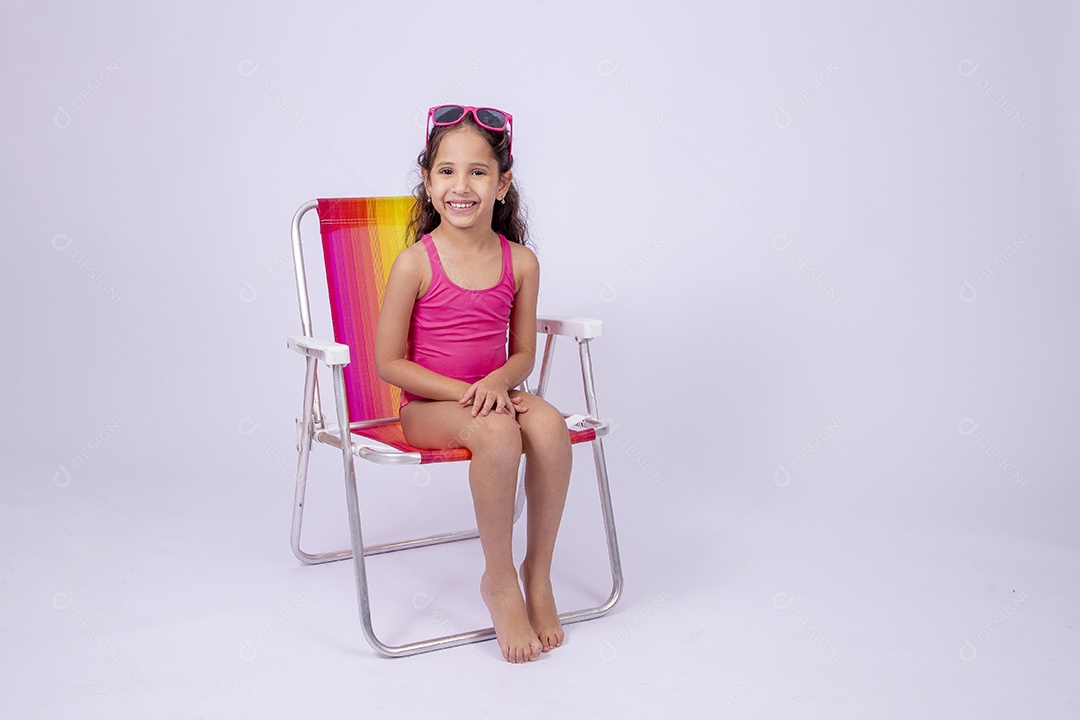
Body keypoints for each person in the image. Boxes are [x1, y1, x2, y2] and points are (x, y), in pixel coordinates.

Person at [375, 105, 572, 663]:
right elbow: (388, 362)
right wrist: (468, 393)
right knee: (497, 434)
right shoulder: (415, 263)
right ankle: (500, 580)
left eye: (478, 172)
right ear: (428, 181)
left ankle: (538, 572)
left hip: (495, 393)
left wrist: (496, 383)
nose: (461, 185)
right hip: (430, 406)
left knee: (552, 427)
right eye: (446, 171)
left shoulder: (523, 262)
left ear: (503, 184)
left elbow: (523, 354)